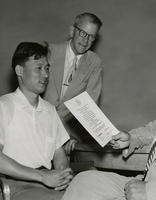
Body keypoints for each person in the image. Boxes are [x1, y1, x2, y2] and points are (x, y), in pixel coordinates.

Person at [61, 29, 156, 200]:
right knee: (86, 181)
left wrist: (150, 191)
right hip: (147, 182)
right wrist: (131, 138)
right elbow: (152, 130)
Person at [0, 42, 73, 200]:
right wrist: (41, 176)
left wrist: (63, 175)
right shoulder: (3, 106)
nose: (46, 75)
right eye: (38, 68)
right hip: (16, 186)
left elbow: (58, 153)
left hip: (48, 184)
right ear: (20, 70)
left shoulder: (50, 110)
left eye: (47, 68)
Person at [43, 12, 103, 150]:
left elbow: (89, 108)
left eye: (91, 36)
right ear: (72, 31)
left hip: (68, 137)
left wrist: (71, 136)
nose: (86, 40)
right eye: (83, 33)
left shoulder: (95, 63)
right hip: (37, 126)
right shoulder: (50, 51)